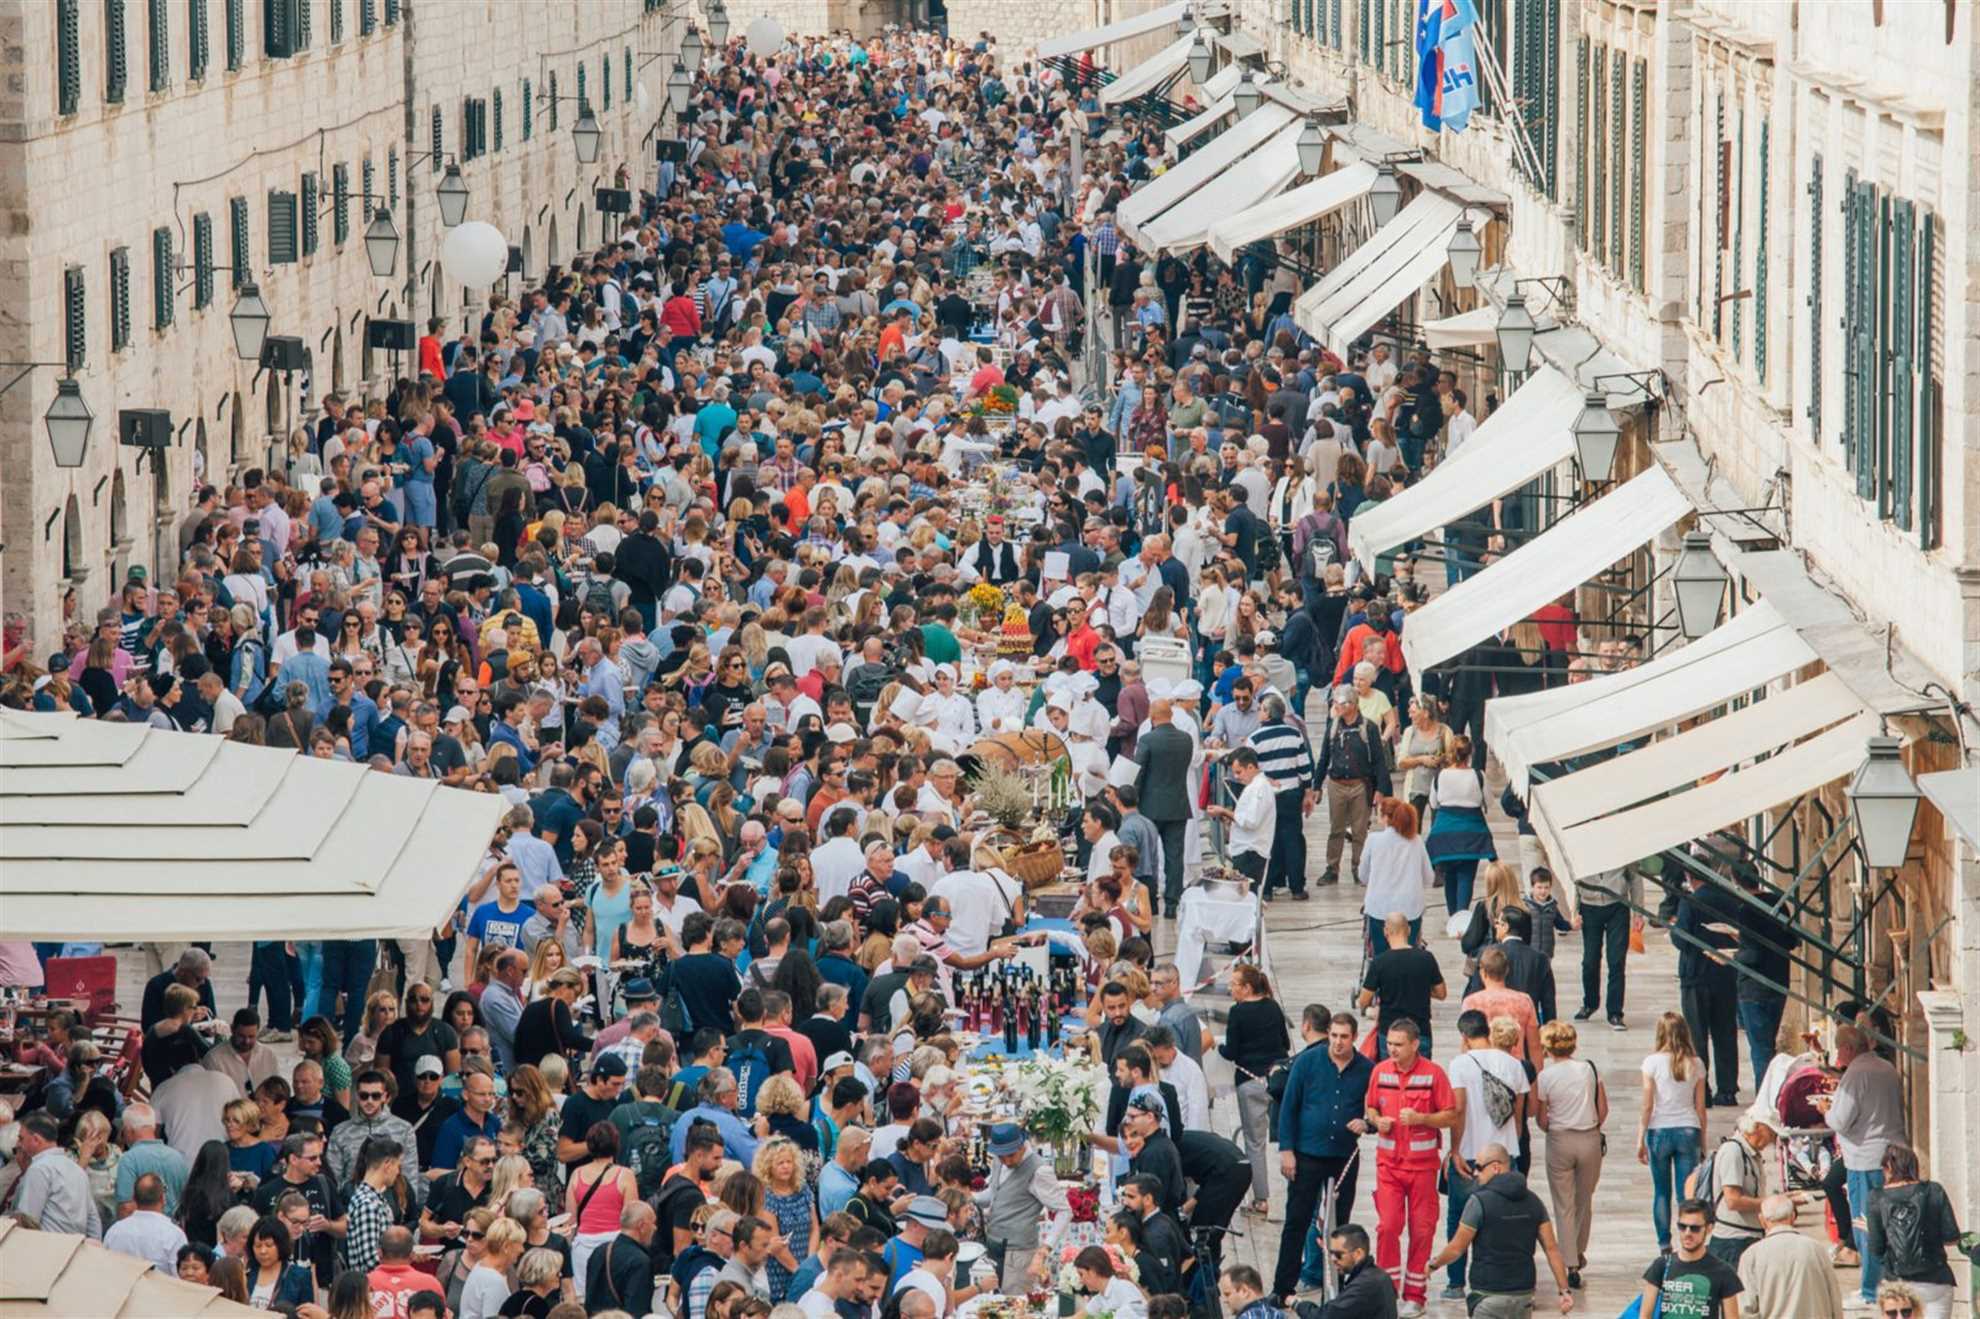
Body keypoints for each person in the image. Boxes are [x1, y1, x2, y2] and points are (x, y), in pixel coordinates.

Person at [1275, 1008, 1373, 1302]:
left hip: (1343, 1156)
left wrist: (1367, 1124)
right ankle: (1283, 1288)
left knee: (1341, 1226)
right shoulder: (1307, 1062)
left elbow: (1379, 1111)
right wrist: (1286, 1150)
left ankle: (1339, 1289)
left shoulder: (1368, 1070)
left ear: (1354, 1038)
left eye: (1344, 1037)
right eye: (1333, 1036)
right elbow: (1289, 1107)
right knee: (1296, 1220)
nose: (1338, 1042)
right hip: (1307, 1155)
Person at [1364, 1019, 1457, 1315]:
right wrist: (1377, 1120)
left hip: (1422, 1169)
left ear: (1415, 1044)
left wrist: (1422, 1120)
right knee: (1388, 1226)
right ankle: (1388, 1291)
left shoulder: (1433, 1075)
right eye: (1389, 1043)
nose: (1392, 1049)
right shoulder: (1379, 1071)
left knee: (1422, 1231)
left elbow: (1451, 1114)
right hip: (1388, 1166)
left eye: (1398, 1044)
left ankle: (1415, 1295)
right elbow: (1370, 1106)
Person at [1424, 1141, 1573, 1318]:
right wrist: (1564, 1291)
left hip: (1488, 1295)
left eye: (1479, 1167)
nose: (1475, 1173)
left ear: (1496, 1167)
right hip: (1523, 1297)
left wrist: (1434, 1264)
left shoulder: (1478, 1202)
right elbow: (1551, 1249)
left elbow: (1457, 1248)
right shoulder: (1534, 1201)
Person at [1439, 1011, 1529, 1301]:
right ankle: (1500, 1281)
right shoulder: (1514, 1065)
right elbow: (1518, 1115)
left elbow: (1458, 1109)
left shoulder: (1460, 1064)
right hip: (1504, 1155)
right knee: (1504, 1219)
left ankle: (1455, 1283)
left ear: (1464, 1036)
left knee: (1459, 1218)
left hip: (1469, 1154)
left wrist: (1454, 1150)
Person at [1825, 1023, 1908, 1306]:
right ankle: (1892, 1283)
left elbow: (1840, 1121)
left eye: (1839, 1048)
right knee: (1892, 1224)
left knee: (1867, 1225)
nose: (1838, 1054)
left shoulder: (1854, 1076)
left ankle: (1871, 1291)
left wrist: (1826, 1111)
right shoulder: (1887, 1069)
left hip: (1866, 1159)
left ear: (1848, 1048)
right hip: (1896, 1156)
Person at [1530, 1021, 1605, 1291]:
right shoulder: (1588, 1069)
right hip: (1589, 1138)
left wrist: (1551, 1126)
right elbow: (1602, 1109)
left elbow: (1541, 1118)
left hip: (1560, 1139)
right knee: (1584, 1201)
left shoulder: (1545, 1077)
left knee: (1563, 1205)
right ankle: (1578, 1253)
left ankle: (1569, 1261)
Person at [1218, 963, 1290, 1218]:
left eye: (1234, 984)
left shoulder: (1238, 1013)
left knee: (1255, 1143)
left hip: (1249, 1081)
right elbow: (1285, 1042)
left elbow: (1232, 1051)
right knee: (1287, 1139)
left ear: (1247, 988)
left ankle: (1261, 1199)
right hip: (1278, 1081)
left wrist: (1220, 1050)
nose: (1230, 988)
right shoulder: (1273, 1006)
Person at [1863, 1145, 1964, 1319]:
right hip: (1936, 1280)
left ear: (1888, 1168)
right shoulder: (1934, 1190)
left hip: (1899, 1285)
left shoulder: (1876, 1198)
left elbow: (1876, 1249)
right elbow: (1952, 1237)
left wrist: (1873, 1230)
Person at [1639, 1012, 1709, 1255]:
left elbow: (1648, 1104)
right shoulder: (1696, 1064)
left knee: (1661, 1191)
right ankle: (1687, 1237)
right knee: (1685, 1192)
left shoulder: (1651, 1063)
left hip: (1659, 1130)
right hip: (1688, 1128)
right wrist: (1703, 1141)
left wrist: (1641, 1138)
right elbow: (1700, 1107)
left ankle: (1664, 1243)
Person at [975, 1124, 1072, 1293]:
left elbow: (1065, 1211)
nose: (1006, 1161)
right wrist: (970, 1198)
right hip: (995, 1246)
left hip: (1019, 1252)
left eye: (1011, 1155)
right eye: (1001, 1156)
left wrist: (1045, 1249)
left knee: (1014, 1305)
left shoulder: (1040, 1170)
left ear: (1022, 1145)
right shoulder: (1000, 1160)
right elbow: (994, 1192)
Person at [1698, 1106, 1783, 1266]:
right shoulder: (1733, 1151)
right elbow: (1733, 1201)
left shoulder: (1750, 1152)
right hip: (1733, 1242)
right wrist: (1773, 1203)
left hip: (1746, 1238)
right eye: (1771, 1134)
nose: (1772, 1140)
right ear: (1757, 1127)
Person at [1736, 1193, 1843, 1319]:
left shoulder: (1751, 1256)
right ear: (1793, 1216)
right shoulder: (1816, 1249)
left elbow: (1746, 1310)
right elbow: (1834, 1298)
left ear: (1762, 1220)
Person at [1357, 912, 1447, 1057]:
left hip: (1390, 1034)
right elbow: (1441, 993)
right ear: (1409, 930)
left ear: (1386, 931)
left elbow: (1363, 1001)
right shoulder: (1426, 958)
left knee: (1390, 1077)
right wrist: (1420, 988)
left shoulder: (1380, 962)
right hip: (1420, 1032)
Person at [1639, 1198, 1744, 1319]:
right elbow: (1644, 1316)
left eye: (1695, 1228)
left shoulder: (1724, 1272)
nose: (1687, 1233)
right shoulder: (1661, 1265)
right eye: (1682, 1226)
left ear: (1709, 1228)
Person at [1358, 800, 1430, 952]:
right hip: (1410, 909)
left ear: (1385, 817)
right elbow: (1429, 877)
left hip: (1379, 908)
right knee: (1409, 955)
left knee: (1380, 956)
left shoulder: (1373, 840)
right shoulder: (1416, 841)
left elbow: (1363, 875)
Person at [1312, 1223, 1401, 1318]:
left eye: (1338, 1254)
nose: (1333, 1259)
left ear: (1358, 1253)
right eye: (1331, 1253)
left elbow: (1324, 1316)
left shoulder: (1364, 1285)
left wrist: (1297, 1304)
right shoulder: (1379, 1275)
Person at [104, 1172, 187, 1272]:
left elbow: (105, 1270)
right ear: (163, 1199)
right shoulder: (174, 1235)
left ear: (134, 1198)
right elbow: (180, 1278)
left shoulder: (114, 1231)